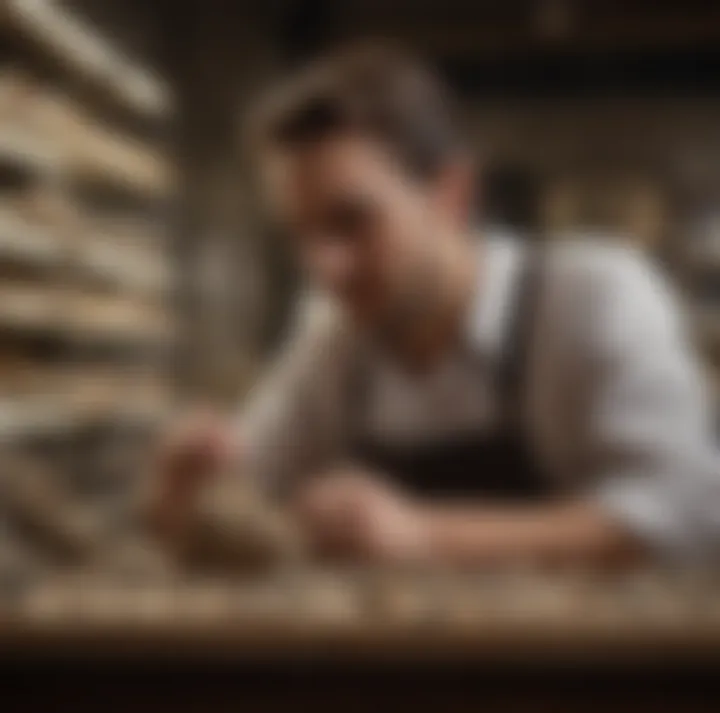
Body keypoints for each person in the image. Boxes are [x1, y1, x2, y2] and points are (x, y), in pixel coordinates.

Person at [152, 44, 720, 568]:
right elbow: (248, 486)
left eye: (353, 222)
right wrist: (193, 490)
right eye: (302, 235)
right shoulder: (335, 338)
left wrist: (422, 536)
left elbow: (686, 515)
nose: (324, 269)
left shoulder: (594, 296)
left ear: (452, 194)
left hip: (588, 673)